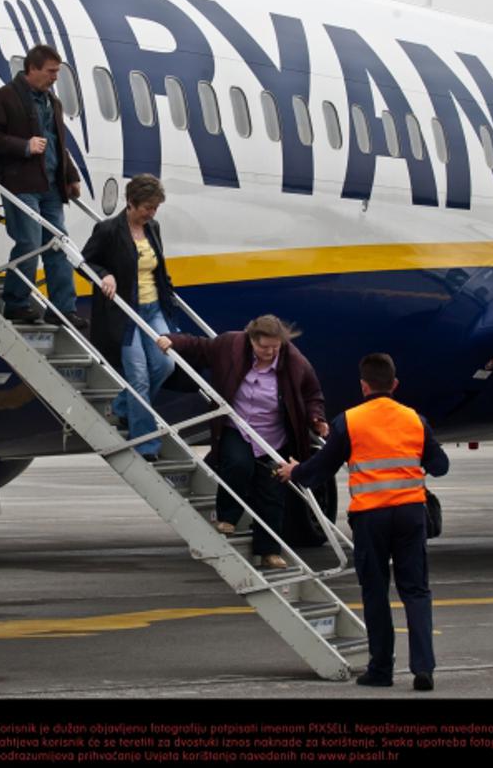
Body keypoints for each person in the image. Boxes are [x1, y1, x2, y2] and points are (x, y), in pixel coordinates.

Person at [276, 353, 449, 692]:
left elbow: (320, 468)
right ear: (395, 385)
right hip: (411, 515)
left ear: (363, 385)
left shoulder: (349, 421)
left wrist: (293, 472)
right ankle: (423, 669)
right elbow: (440, 465)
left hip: (371, 517)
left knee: (375, 592)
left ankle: (381, 670)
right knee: (416, 591)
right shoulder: (415, 419)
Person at [157, 316, 329, 570]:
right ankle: (227, 517)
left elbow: (312, 394)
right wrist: (171, 340)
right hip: (237, 427)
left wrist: (317, 418)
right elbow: (200, 346)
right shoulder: (231, 345)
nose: (270, 352)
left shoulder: (295, 362)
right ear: (251, 340)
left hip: (273, 435)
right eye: (264, 347)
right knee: (238, 465)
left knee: (272, 493)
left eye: (275, 347)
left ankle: (269, 551)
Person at [0, 44, 86, 327]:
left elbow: (58, 144)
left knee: (58, 245)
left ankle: (63, 309)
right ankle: (16, 303)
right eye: (51, 72)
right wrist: (23, 146)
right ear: (32, 68)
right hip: (21, 183)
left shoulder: (52, 102)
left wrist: (71, 175)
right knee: (28, 242)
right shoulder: (5, 98)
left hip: (50, 184)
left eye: (57, 72)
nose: (54, 78)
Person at [82, 175, 176, 460]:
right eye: (147, 207)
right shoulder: (109, 230)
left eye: (155, 208)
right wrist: (103, 274)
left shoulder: (153, 228)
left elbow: (157, 267)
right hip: (125, 314)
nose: (151, 213)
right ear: (131, 203)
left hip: (153, 308)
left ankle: (123, 407)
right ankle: (146, 444)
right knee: (138, 378)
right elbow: (85, 261)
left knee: (165, 365)